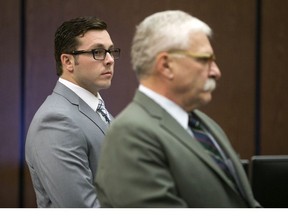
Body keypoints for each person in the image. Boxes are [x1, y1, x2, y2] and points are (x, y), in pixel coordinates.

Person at [95, 10, 260, 207]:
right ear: (166, 66)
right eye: (204, 59)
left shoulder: (205, 125)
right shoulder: (130, 133)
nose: (216, 72)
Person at [25, 16, 120, 207]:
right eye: (98, 52)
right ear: (68, 61)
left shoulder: (100, 111)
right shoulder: (55, 121)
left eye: (111, 51)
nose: (109, 60)